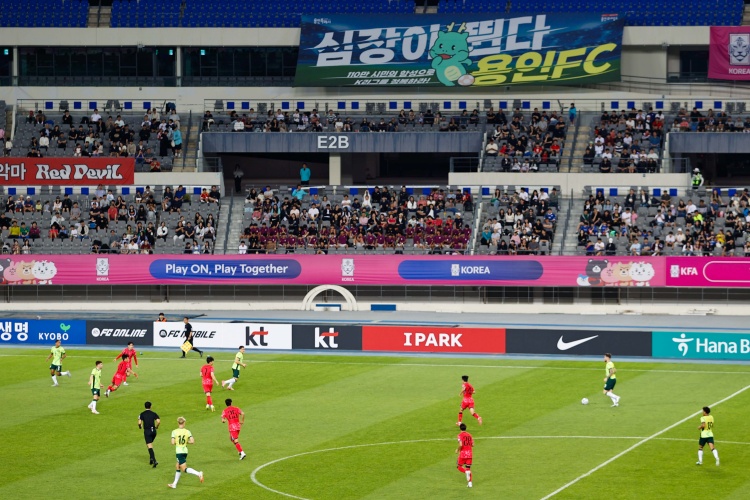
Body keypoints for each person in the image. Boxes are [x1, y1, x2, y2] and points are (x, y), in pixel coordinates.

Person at [168, 417, 204, 489]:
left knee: (184, 469)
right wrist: (186, 442)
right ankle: (174, 484)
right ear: (184, 423)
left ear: (178, 423)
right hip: (185, 451)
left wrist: (177, 442)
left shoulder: (174, 432)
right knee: (177, 466)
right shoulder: (187, 431)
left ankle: (198, 474)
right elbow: (192, 441)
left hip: (179, 452)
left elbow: (172, 442)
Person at [139, 401, 161, 467]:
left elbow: (139, 423)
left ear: (145, 406)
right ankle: (151, 458)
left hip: (147, 431)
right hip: (154, 431)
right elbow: (158, 421)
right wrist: (156, 426)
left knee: (149, 445)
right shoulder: (153, 413)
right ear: (150, 406)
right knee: (149, 444)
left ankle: (154, 460)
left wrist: (140, 426)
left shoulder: (142, 414)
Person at [456, 423, 474, 488]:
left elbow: (460, 444)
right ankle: (470, 483)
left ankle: (466, 472)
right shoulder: (470, 435)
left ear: (460, 428)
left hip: (463, 454)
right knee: (468, 468)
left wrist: (457, 450)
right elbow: (473, 445)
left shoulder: (460, 435)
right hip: (470, 454)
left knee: (459, 466)